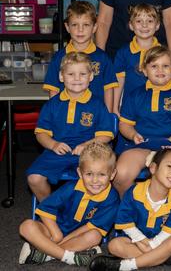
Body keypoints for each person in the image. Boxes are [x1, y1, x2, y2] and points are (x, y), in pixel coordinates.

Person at [27, 52, 115, 201]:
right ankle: (51, 210)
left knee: (92, 180)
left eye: (82, 74)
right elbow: (41, 134)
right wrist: (53, 144)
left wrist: (86, 146)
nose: (77, 79)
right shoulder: (52, 104)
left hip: (90, 153)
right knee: (34, 178)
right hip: (58, 151)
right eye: (71, 74)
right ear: (61, 77)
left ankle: (85, 212)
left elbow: (106, 134)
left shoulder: (98, 104)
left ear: (91, 77)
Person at [18, 142, 120, 266]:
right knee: (26, 226)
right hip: (53, 230)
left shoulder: (112, 198)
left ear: (112, 174)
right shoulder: (70, 188)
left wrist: (60, 241)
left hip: (79, 237)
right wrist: (57, 235)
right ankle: (69, 257)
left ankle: (47, 254)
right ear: (79, 173)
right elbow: (45, 210)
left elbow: (91, 227)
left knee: (95, 236)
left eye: (102, 174)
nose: (95, 180)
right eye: (89, 174)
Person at [89, 148, 171, 271]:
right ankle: (165, 259)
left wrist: (152, 245)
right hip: (135, 241)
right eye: (170, 166)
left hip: (160, 243)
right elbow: (126, 223)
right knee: (114, 245)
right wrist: (144, 242)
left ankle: (126, 265)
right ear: (153, 168)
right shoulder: (134, 192)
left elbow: (169, 231)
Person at [114, 46, 171, 195]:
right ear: (144, 70)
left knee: (166, 176)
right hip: (143, 145)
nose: (160, 70)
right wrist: (133, 135)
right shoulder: (135, 95)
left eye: (165, 66)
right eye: (154, 66)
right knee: (120, 175)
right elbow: (124, 124)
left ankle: (163, 213)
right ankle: (134, 209)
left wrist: (170, 143)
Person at [43, 1, 117, 110]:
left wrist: (109, 116)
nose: (80, 30)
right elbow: (53, 89)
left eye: (86, 25)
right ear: (67, 27)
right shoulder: (59, 58)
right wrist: (55, 113)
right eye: (74, 25)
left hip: (96, 117)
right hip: (66, 115)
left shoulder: (103, 58)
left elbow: (108, 89)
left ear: (95, 27)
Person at [112, 3, 162, 113]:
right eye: (139, 21)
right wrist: (115, 108)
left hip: (157, 109)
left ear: (157, 25)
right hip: (130, 108)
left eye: (149, 21)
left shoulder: (162, 53)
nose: (144, 25)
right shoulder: (123, 53)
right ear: (131, 25)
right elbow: (119, 82)